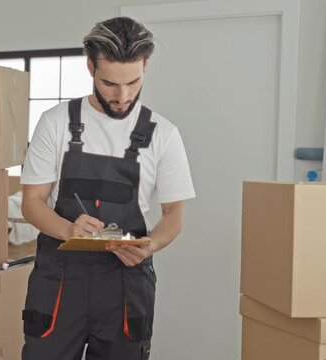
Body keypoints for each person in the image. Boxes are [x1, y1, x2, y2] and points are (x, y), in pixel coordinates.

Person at [20, 16, 195, 360]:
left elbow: (174, 214)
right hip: (60, 281)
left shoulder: (163, 134)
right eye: (110, 83)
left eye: (133, 82)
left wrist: (150, 246)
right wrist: (68, 228)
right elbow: (32, 202)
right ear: (90, 67)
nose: (122, 96)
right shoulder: (55, 122)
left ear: (145, 65)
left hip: (125, 284)